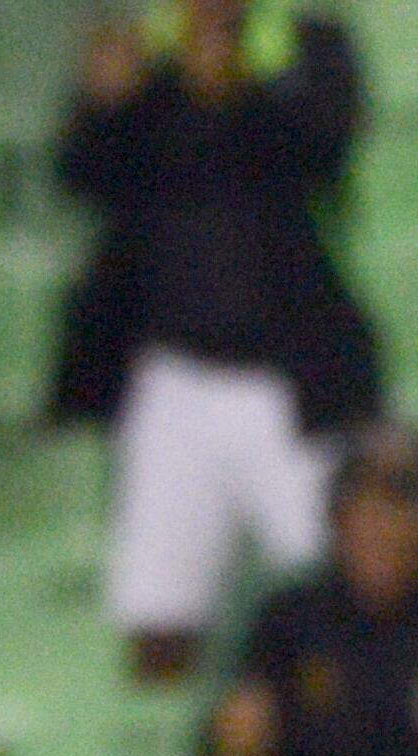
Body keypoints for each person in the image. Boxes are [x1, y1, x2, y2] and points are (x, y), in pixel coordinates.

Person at [52, 0, 380, 687]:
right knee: (158, 611)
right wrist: (103, 103)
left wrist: (231, 90)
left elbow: (325, 148)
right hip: (172, 382)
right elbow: (85, 177)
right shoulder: (145, 55)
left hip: (291, 385)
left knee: (341, 594)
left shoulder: (309, 44)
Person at [198, 422, 418, 756]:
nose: (380, 530)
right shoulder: (289, 620)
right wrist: (230, 747)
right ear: (338, 522)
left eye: (398, 511)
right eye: (364, 513)